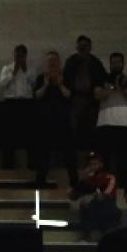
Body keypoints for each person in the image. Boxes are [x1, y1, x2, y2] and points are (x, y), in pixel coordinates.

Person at [34, 51, 78, 189]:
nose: (52, 63)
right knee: (43, 154)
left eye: (55, 61)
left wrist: (60, 84)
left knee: (70, 154)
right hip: (45, 122)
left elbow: (69, 94)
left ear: (59, 63)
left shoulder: (66, 77)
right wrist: (46, 85)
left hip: (63, 122)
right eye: (50, 61)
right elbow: (37, 95)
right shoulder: (41, 77)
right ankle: (40, 182)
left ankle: (75, 183)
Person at [93, 52, 127, 184]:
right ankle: (104, 186)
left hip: (123, 124)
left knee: (122, 159)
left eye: (118, 62)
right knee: (104, 158)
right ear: (110, 64)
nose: (116, 65)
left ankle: (122, 186)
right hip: (105, 123)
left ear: (123, 64)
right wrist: (112, 87)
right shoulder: (102, 78)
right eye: (113, 62)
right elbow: (97, 96)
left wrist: (122, 88)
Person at [63, 36, 106, 152]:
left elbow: (102, 79)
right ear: (76, 47)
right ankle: (72, 153)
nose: (83, 48)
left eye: (85, 46)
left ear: (90, 47)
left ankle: (92, 154)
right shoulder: (71, 61)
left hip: (91, 98)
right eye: (80, 45)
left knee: (92, 126)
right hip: (75, 97)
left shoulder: (96, 62)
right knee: (73, 126)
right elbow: (65, 78)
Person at [0, 44, 35, 170]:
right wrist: (13, 73)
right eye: (17, 55)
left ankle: (32, 166)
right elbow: (2, 83)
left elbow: (34, 83)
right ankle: (7, 167)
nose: (19, 58)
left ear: (26, 56)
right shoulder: (7, 68)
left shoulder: (31, 69)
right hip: (11, 104)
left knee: (30, 136)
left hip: (26, 104)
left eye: (22, 55)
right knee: (8, 136)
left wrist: (25, 71)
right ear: (14, 55)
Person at [70, 151, 120, 239]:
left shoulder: (110, 177)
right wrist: (82, 179)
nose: (92, 166)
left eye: (95, 163)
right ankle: (86, 236)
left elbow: (103, 196)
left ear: (101, 164)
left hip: (105, 209)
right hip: (90, 210)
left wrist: (91, 197)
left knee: (108, 207)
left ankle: (108, 237)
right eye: (90, 164)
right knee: (84, 203)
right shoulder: (86, 179)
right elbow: (72, 196)